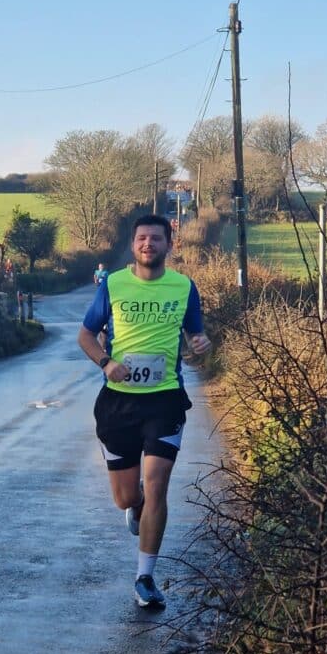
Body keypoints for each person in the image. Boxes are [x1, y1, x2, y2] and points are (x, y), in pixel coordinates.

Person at [78, 214, 211, 609]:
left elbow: (195, 333)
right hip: (118, 402)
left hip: (165, 399)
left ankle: (145, 577)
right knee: (125, 497)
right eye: (141, 239)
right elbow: (86, 334)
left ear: (170, 245)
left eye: (156, 238)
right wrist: (105, 362)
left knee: (157, 485)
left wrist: (202, 343)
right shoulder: (113, 284)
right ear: (132, 245)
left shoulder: (184, 287)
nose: (148, 244)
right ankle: (134, 505)